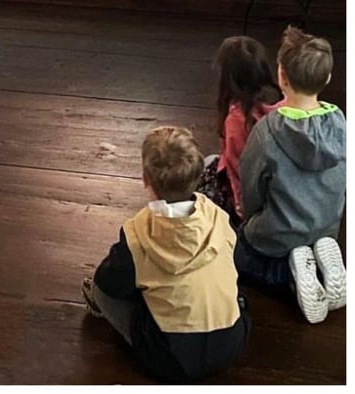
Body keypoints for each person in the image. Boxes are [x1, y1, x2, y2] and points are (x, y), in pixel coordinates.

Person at [82, 126, 250, 383]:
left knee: (101, 292)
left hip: (170, 357)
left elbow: (108, 282)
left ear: (146, 181)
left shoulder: (139, 233)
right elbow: (235, 261)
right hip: (230, 343)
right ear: (198, 175)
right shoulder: (219, 217)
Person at [235, 26, 346, 324]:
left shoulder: (267, 132)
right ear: (327, 78)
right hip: (327, 226)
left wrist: (249, 219)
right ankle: (325, 264)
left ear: (281, 76)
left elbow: (251, 189)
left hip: (281, 232)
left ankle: (291, 276)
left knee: (238, 252)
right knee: (307, 235)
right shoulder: (340, 121)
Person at [195, 36, 280, 221]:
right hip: (281, 196)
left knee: (200, 177)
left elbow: (238, 175)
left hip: (251, 209)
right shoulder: (283, 103)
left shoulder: (237, 120)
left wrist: (242, 215)